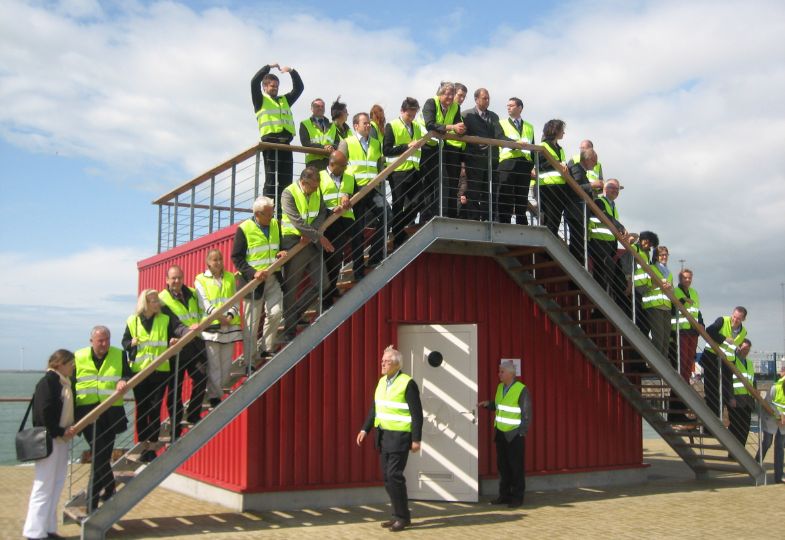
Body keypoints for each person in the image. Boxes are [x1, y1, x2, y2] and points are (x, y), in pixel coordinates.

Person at [356, 346, 423, 532]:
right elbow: (375, 408)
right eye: (382, 361)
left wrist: (416, 439)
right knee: (387, 478)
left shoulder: (407, 383)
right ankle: (396, 515)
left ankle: (403, 517)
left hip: (400, 438)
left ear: (396, 364)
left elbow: (417, 414)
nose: (382, 364)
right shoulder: (382, 382)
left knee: (394, 476)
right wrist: (365, 429)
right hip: (384, 437)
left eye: (386, 361)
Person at [123, 290, 188, 462]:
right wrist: (131, 343)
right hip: (140, 372)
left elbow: (169, 338)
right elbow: (125, 342)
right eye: (153, 301)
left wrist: (172, 341)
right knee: (142, 409)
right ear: (145, 303)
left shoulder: (164, 320)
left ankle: (152, 446)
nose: (157, 303)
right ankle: (143, 445)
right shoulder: (132, 321)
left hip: (160, 371)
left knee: (155, 408)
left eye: (157, 301)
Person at [22, 349, 76, 540]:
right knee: (44, 485)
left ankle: (48, 528)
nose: (73, 367)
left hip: (60, 440)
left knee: (56, 484)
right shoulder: (49, 382)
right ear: (60, 364)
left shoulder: (64, 382)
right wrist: (61, 431)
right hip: (49, 440)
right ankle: (33, 532)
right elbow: (43, 414)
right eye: (71, 363)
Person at [280, 167, 335, 339]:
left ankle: (294, 313)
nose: (315, 189)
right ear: (304, 183)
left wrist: (312, 234)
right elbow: (294, 218)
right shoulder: (288, 193)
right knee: (292, 286)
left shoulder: (317, 191)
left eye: (317, 186)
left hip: (310, 240)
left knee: (323, 284)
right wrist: (317, 236)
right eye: (312, 186)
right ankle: (289, 329)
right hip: (293, 242)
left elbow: (321, 213)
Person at [231, 196, 286, 363]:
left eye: (272, 213)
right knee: (251, 324)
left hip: (273, 277)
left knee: (276, 313)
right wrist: (253, 272)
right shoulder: (244, 229)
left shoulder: (276, 224)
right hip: (252, 282)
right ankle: (249, 361)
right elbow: (236, 257)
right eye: (268, 214)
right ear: (257, 214)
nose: (271, 217)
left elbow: (280, 244)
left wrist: (282, 252)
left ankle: (266, 348)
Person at [159, 266, 208, 432]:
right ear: (166, 280)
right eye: (173, 278)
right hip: (176, 348)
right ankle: (175, 425)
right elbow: (171, 323)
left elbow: (203, 311)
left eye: (179, 277)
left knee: (202, 377)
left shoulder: (192, 293)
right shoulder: (162, 299)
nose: (177, 281)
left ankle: (193, 413)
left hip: (195, 345)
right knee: (175, 390)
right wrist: (187, 332)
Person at [250, 63, 304, 211]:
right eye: (272, 86)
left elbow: (299, 88)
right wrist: (268, 67)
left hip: (286, 145)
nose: (275, 88)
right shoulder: (260, 100)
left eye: (276, 86)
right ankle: (266, 210)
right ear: (265, 87)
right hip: (270, 145)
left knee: (286, 181)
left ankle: (282, 211)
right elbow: (254, 82)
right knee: (271, 181)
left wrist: (292, 71)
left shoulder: (284, 100)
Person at [338, 112, 385, 279]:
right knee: (357, 231)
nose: (368, 126)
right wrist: (344, 193)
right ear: (355, 126)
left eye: (369, 124)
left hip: (373, 189)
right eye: (365, 123)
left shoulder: (376, 143)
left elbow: (380, 166)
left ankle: (374, 256)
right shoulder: (346, 143)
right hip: (355, 190)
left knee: (388, 216)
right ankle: (358, 271)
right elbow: (341, 170)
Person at [479, 360, 532, 508]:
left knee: (516, 467)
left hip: (514, 434)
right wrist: (488, 404)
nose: (499, 374)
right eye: (499, 371)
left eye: (502, 371)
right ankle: (504, 496)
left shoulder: (521, 389)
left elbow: (526, 413)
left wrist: (521, 432)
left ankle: (517, 497)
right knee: (503, 467)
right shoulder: (500, 387)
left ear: (511, 374)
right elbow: (500, 405)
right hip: (501, 433)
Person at [194, 250, 243, 408]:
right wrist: (218, 317)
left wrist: (229, 316)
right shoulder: (200, 279)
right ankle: (215, 396)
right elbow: (204, 302)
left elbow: (235, 298)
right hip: (211, 327)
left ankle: (217, 391)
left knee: (226, 365)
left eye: (220, 259)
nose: (218, 262)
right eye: (214, 260)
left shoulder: (229, 277)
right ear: (208, 262)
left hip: (229, 326)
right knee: (214, 365)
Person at [421, 82, 466, 219]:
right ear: (440, 94)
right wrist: (452, 127)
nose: (450, 97)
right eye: (447, 94)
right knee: (433, 183)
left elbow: (458, 125)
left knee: (442, 182)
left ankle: (438, 214)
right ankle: (435, 215)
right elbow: (430, 124)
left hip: (440, 148)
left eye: (452, 94)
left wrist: (462, 129)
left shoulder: (455, 107)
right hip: (425, 147)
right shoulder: (430, 103)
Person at [384, 97, 424, 249]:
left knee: (420, 200)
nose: (411, 118)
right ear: (402, 111)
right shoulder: (392, 126)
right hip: (398, 172)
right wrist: (407, 146)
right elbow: (386, 150)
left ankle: (398, 227)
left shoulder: (417, 127)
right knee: (398, 204)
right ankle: (398, 233)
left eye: (414, 115)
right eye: (409, 115)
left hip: (414, 170)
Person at [319, 150, 356, 307]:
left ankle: (331, 291)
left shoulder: (348, 176)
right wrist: (329, 212)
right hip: (326, 223)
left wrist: (348, 197)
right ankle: (326, 297)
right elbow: (315, 201)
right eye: (343, 165)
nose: (345, 168)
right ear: (332, 164)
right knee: (326, 261)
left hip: (343, 221)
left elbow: (354, 193)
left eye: (346, 165)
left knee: (336, 257)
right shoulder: (319, 176)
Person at [701, 306, 748, 418]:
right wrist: (724, 339)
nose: (735, 320)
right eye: (734, 316)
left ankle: (717, 418)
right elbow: (710, 330)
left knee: (722, 393)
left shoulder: (743, 332)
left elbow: (732, 349)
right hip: (712, 359)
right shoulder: (722, 320)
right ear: (732, 314)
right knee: (711, 391)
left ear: (743, 319)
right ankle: (710, 420)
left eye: (738, 319)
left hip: (726, 364)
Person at [461, 88, 501, 220]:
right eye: (484, 98)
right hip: (474, 159)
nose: (487, 100)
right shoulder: (467, 115)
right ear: (476, 99)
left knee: (490, 191)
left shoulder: (494, 116)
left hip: (492, 160)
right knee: (473, 190)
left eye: (488, 98)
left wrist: (515, 143)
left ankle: (488, 219)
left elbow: (499, 135)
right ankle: (473, 218)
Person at [587, 179, 628, 307]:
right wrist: (621, 227)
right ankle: (600, 304)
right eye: (612, 187)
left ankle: (602, 303)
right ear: (604, 189)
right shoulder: (599, 201)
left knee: (607, 274)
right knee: (602, 274)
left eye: (617, 189)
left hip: (609, 245)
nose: (615, 191)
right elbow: (605, 218)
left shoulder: (613, 206)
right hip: (599, 242)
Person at [496, 97, 536, 225]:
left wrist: (532, 164)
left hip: (524, 164)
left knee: (522, 195)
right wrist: (515, 143)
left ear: (520, 108)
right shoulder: (501, 123)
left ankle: (521, 222)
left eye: (511, 105)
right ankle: (504, 221)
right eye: (507, 105)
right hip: (507, 163)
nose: (508, 107)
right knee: (505, 194)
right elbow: (500, 138)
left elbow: (533, 146)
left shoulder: (529, 126)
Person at [565, 148, 603, 263]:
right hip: (575, 212)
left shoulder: (582, 170)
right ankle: (577, 265)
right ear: (588, 159)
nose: (596, 164)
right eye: (594, 161)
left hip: (580, 213)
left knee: (580, 243)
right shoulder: (576, 168)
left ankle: (579, 264)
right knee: (577, 243)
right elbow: (575, 188)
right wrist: (592, 185)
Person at [536, 119, 569, 235]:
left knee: (556, 219)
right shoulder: (542, 146)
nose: (564, 133)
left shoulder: (560, 149)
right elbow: (539, 164)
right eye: (562, 130)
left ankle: (551, 240)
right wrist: (555, 164)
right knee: (549, 217)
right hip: (547, 186)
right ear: (555, 131)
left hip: (560, 188)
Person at [643, 245, 673, 356]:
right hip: (654, 305)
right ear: (656, 256)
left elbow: (672, 292)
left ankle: (663, 367)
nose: (664, 257)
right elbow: (644, 285)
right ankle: (656, 365)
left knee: (666, 340)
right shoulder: (651, 268)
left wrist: (670, 288)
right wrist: (658, 285)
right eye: (662, 255)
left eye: (666, 255)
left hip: (666, 306)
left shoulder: (669, 273)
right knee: (658, 338)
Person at [757, 364, 785, 483]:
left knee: (780, 447)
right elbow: (768, 404)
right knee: (767, 442)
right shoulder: (775, 388)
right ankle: (755, 465)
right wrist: (779, 415)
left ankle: (779, 476)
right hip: (771, 419)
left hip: (782, 423)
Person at [727, 339, 755, 446]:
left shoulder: (750, 363)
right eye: (744, 348)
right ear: (738, 347)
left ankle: (741, 450)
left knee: (745, 427)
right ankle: (732, 450)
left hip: (748, 400)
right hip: (736, 398)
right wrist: (731, 397)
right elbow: (728, 380)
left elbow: (752, 380)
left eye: (748, 349)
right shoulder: (733, 361)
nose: (746, 351)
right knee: (735, 426)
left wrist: (755, 396)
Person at [299, 98, 334, 170]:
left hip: (330, 162)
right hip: (313, 162)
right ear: (312, 109)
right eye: (317, 106)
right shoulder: (305, 124)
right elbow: (305, 143)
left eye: (322, 106)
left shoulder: (332, 125)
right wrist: (323, 147)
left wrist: (331, 147)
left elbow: (337, 142)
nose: (320, 108)